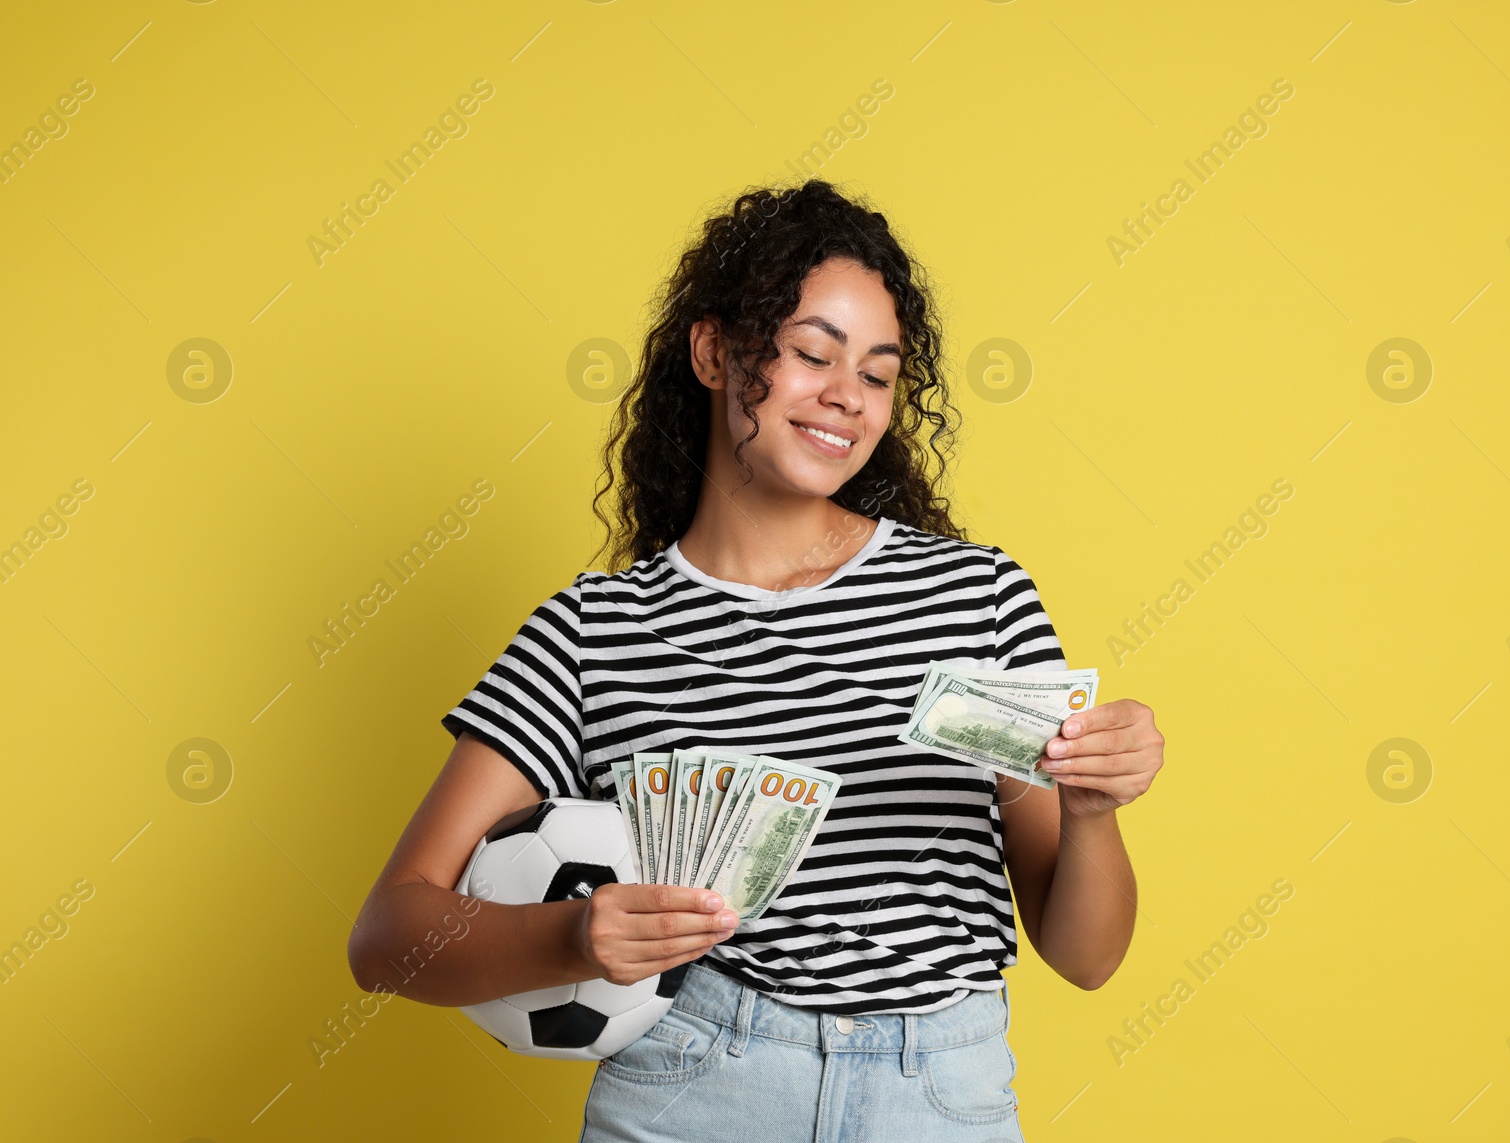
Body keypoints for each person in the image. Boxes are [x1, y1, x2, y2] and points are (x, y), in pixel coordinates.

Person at [347, 179, 1165, 1141]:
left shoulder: (975, 597)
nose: (844, 399)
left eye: (876, 372)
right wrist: (572, 932)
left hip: (938, 1092)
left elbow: (1086, 955)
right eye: (813, 353)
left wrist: (1093, 812)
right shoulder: (593, 630)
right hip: (696, 1087)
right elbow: (387, 937)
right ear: (714, 352)